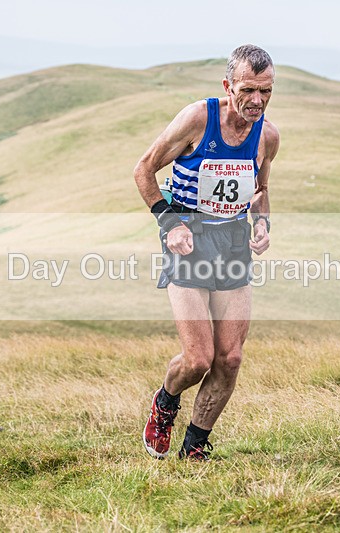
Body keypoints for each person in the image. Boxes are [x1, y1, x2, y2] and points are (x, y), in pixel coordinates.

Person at [135, 44, 279, 460]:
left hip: (233, 240)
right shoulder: (199, 118)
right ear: (227, 85)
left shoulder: (267, 135)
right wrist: (170, 223)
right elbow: (143, 169)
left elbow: (261, 190)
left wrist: (263, 223)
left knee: (230, 358)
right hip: (190, 238)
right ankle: (165, 403)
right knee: (199, 358)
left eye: (266, 92)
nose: (256, 101)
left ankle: (195, 444)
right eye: (248, 90)